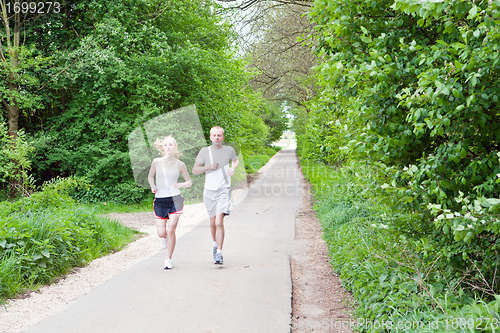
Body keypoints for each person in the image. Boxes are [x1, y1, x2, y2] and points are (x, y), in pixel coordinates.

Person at [192, 126, 239, 265]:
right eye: (214, 135)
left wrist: (232, 168)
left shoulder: (229, 150)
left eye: (219, 135)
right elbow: (195, 170)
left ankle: (219, 253)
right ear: (210, 137)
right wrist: (208, 167)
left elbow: (235, 160)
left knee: (219, 222)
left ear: (223, 137)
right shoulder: (204, 151)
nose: (217, 137)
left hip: (224, 189)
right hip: (209, 191)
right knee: (212, 222)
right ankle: (214, 245)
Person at [148, 135, 192, 269]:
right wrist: (153, 186)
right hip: (160, 200)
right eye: (166, 145)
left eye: (171, 145)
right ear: (163, 147)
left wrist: (181, 185)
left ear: (175, 147)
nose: (168, 147)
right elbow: (150, 176)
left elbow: (189, 182)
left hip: (175, 199)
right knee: (162, 233)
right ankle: (163, 238)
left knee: (171, 230)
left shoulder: (180, 164)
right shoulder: (156, 161)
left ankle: (168, 259)